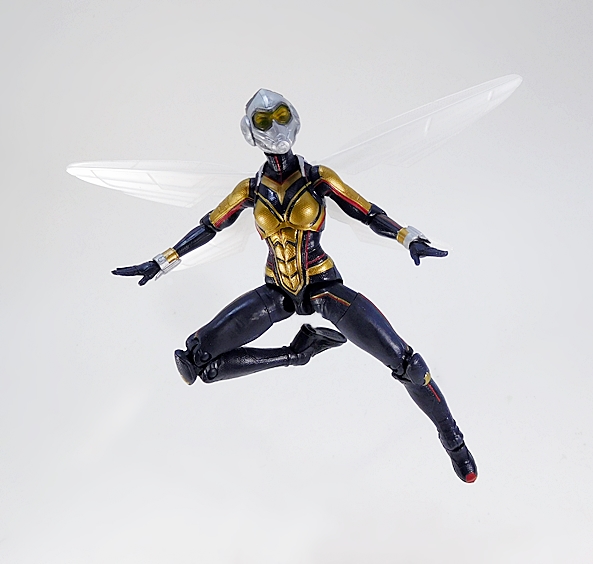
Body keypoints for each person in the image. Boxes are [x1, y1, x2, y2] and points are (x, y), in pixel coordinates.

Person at [113, 89, 477, 483]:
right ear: (250, 132)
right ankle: (296, 354)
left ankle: (452, 439)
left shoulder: (317, 179)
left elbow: (368, 212)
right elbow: (209, 226)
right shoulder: (249, 191)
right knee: (197, 363)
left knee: (409, 365)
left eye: (282, 116)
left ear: (296, 121)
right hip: (277, 292)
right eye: (263, 121)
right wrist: (163, 260)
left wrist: (407, 237)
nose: (275, 129)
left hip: (323, 286)